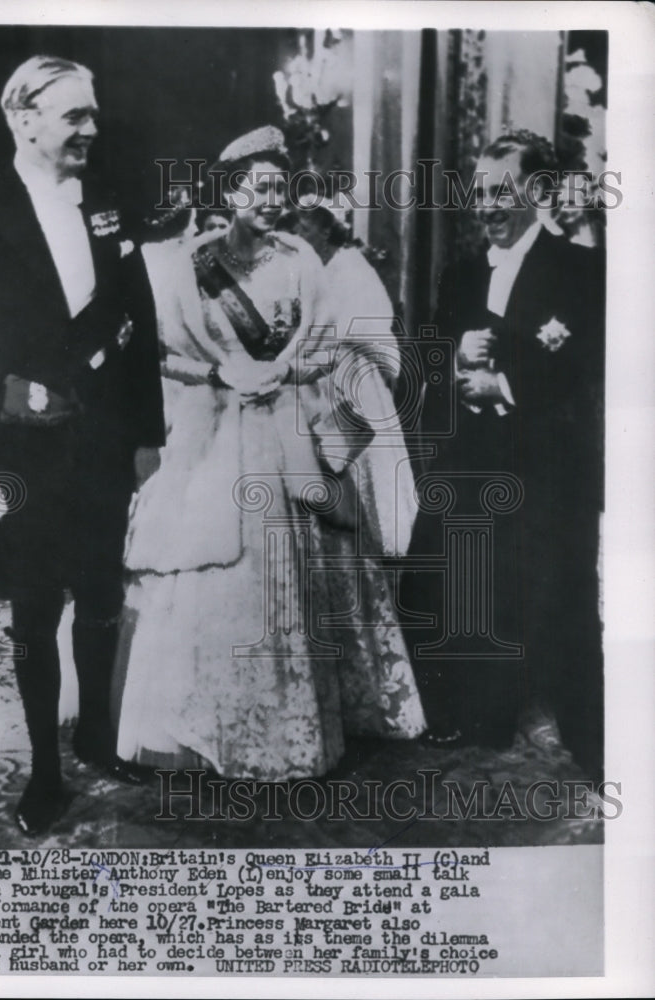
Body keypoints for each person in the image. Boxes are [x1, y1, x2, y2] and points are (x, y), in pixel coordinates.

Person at [113, 126, 425, 782]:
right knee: (215, 571)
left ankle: (298, 733)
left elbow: (326, 344)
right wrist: (223, 376)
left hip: (292, 434)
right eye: (258, 187)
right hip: (220, 439)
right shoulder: (191, 265)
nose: (272, 199)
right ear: (229, 192)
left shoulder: (300, 260)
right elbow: (167, 357)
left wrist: (290, 373)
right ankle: (202, 730)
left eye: (280, 187)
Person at [0, 56, 165, 835]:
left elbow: (142, 329)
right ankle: (44, 772)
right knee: (34, 611)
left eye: (93, 114)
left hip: (102, 440)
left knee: (103, 594)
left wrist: (147, 437)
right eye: (75, 115)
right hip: (20, 449)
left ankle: (98, 739)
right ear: (23, 118)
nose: (91, 130)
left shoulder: (107, 204)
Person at [404, 130, 604, 776]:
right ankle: (472, 711)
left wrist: (504, 381)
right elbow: (425, 358)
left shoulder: (580, 271)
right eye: (480, 192)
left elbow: (580, 370)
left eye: (501, 192)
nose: (486, 206)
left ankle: (592, 736)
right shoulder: (461, 271)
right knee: (456, 580)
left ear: (539, 192)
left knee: (550, 594)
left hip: (544, 463)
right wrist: (454, 355)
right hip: (472, 457)